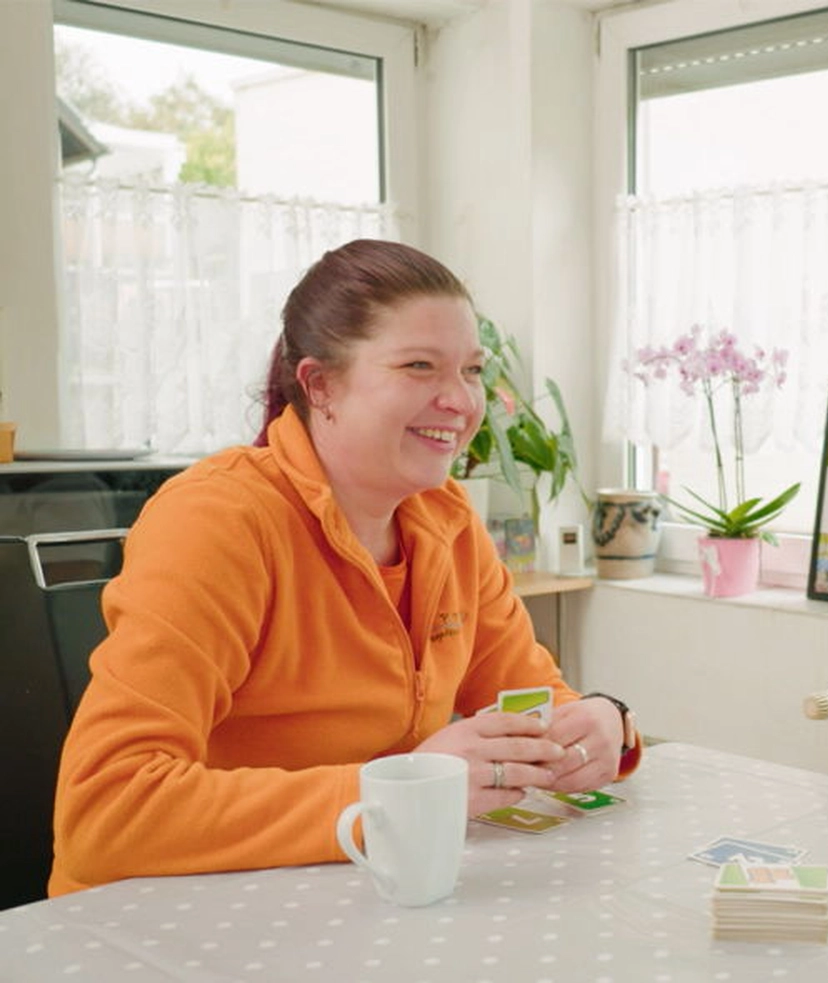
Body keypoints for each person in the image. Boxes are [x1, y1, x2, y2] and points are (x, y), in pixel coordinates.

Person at [50, 239, 640, 896]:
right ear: (320, 384)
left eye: (472, 370)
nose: (462, 401)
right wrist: (399, 791)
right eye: (420, 365)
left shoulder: (447, 519)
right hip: (158, 923)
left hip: (350, 895)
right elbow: (105, 813)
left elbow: (531, 699)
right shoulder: (218, 521)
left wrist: (602, 719)